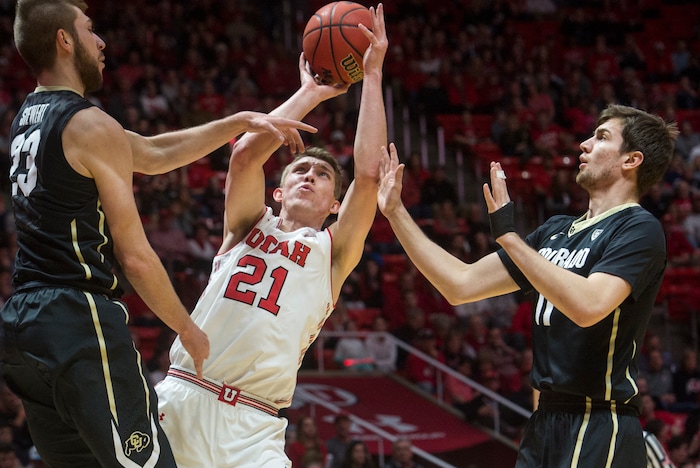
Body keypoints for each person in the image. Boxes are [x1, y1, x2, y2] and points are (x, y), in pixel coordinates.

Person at [0, 1, 316, 466]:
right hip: (77, 319)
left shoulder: (30, 116)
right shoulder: (88, 123)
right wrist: (186, 327)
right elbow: (136, 257)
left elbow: (150, 153)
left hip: (24, 328)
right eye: (90, 31)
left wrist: (240, 121)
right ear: (65, 41)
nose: (101, 41)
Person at [376, 104, 679, 467]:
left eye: (601, 137)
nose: (583, 144)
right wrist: (395, 212)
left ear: (631, 160)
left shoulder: (638, 228)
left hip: (598, 420)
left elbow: (589, 307)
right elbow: (459, 285)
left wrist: (509, 237)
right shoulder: (554, 231)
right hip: (544, 423)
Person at [154, 5, 388, 467]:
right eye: (300, 168)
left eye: (322, 175)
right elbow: (243, 155)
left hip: (255, 426)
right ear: (277, 191)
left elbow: (366, 176)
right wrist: (309, 94)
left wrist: (373, 74)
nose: (309, 176)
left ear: (334, 204)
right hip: (182, 399)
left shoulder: (333, 253)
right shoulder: (245, 226)